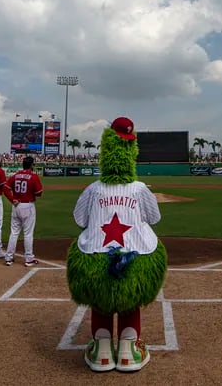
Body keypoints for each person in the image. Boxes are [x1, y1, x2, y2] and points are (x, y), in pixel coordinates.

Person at [67, 117, 166, 373]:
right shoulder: (140, 188)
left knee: (100, 302)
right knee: (130, 300)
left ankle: (101, 351)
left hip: (95, 257)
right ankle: (127, 351)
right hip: (135, 256)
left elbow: (79, 219)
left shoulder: (94, 189)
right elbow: (155, 218)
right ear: (132, 153)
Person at [4, 156, 43, 266]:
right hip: (27, 206)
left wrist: (12, 199)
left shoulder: (15, 175)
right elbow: (39, 192)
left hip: (16, 205)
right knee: (28, 234)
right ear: (31, 165)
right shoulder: (33, 176)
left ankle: (8, 257)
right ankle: (28, 258)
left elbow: (6, 188)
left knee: (14, 232)